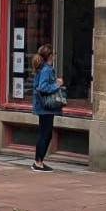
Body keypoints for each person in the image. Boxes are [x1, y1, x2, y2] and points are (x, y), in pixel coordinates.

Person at [30, 43, 63, 172]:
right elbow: (42, 87)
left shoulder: (43, 68)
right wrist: (57, 84)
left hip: (43, 107)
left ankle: (39, 161)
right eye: (53, 54)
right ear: (49, 56)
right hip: (46, 107)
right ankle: (38, 163)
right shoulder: (46, 69)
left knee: (45, 134)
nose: (54, 56)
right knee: (46, 134)